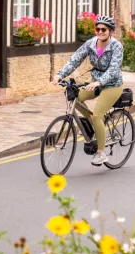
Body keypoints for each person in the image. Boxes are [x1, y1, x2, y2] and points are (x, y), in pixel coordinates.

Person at [53, 16, 123, 166]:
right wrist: (60, 74)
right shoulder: (90, 44)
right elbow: (75, 60)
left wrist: (100, 82)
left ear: (110, 31)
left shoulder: (116, 46)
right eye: (97, 29)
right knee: (74, 96)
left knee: (98, 114)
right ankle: (92, 123)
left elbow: (114, 69)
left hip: (112, 85)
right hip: (95, 83)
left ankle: (101, 153)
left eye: (103, 29)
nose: (100, 32)